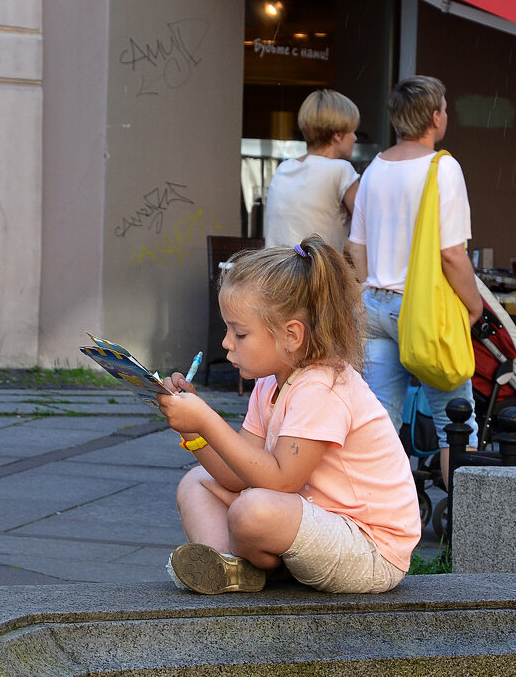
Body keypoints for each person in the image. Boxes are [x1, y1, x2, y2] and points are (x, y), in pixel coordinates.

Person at [157, 236, 422, 594]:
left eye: (240, 332)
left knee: (253, 510)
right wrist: (193, 433)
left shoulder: (322, 387)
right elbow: (240, 476)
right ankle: (228, 569)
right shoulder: (270, 384)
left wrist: (206, 419)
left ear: (291, 336)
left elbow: (278, 480)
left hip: (370, 547)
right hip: (315, 524)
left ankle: (245, 566)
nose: (226, 343)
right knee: (196, 482)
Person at [344, 75, 483, 487]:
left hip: (375, 305)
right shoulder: (444, 168)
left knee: (380, 424)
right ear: (435, 117)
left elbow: (356, 248)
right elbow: (451, 254)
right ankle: (462, 535)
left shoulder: (374, 169)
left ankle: (378, 525)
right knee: (455, 424)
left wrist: (375, 286)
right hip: (422, 312)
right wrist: (475, 305)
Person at [263, 89, 360, 251]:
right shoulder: (341, 170)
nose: (355, 138)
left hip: (276, 271)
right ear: (337, 135)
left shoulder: (283, 169)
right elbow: (368, 231)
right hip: (316, 272)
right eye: (352, 131)